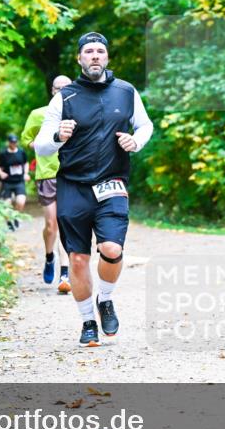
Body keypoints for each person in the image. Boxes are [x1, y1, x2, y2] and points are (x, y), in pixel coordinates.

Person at [34, 32, 153, 347]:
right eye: (89, 51)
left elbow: (145, 125)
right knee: (77, 259)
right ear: (79, 59)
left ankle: (106, 299)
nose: (95, 56)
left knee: (112, 250)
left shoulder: (126, 92)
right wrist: (58, 136)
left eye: (101, 50)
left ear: (107, 57)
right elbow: (41, 147)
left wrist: (136, 141)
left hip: (112, 183)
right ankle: (87, 320)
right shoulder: (64, 98)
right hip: (73, 185)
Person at [21, 75, 73, 294]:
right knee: (51, 224)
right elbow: (26, 139)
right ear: (52, 91)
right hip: (46, 174)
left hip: (71, 174)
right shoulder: (38, 114)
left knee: (64, 224)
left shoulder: (77, 114)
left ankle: (65, 273)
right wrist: (43, 145)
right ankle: (49, 256)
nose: (61, 91)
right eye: (58, 88)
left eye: (66, 88)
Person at [0, 134, 29, 231]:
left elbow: (26, 163)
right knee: (7, 204)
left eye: (15, 142)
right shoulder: (3, 154)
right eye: (11, 142)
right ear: (8, 142)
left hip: (19, 181)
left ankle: (16, 217)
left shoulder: (21, 152)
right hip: (7, 182)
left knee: (21, 201)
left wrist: (26, 173)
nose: (13, 144)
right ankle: (9, 222)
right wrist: (1, 173)